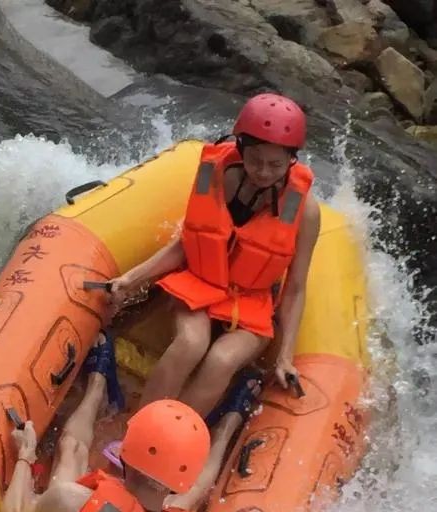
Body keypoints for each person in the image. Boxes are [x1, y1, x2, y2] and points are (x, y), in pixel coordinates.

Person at [1, 332, 262, 512]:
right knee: (184, 506)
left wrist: (26, 455)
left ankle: (97, 385)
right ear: (184, 479)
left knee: (70, 449)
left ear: (124, 450)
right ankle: (229, 423)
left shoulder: (69, 500)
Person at [109, 93, 321, 420]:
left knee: (221, 360)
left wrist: (285, 356)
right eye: (255, 160)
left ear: (292, 160)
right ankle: (141, 426)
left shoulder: (305, 211)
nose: (263, 172)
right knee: (191, 343)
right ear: (240, 147)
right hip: (200, 283)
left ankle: (176, 436)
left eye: (276, 165)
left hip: (250, 302)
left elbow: (295, 287)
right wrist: (131, 278)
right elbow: (190, 243)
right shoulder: (216, 176)